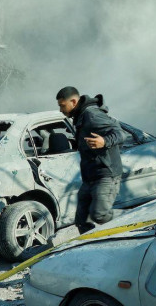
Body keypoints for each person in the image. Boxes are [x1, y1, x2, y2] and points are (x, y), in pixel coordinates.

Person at [56, 86, 126, 232]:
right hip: (89, 177)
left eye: (62, 106)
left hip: (106, 174)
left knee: (99, 215)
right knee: (81, 220)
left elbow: (120, 133)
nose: (61, 110)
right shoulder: (80, 115)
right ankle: (89, 247)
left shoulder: (92, 115)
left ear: (74, 102)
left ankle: (129, 221)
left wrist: (105, 141)